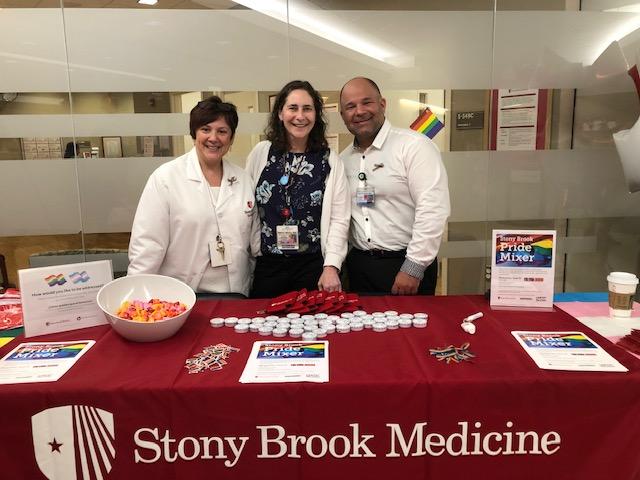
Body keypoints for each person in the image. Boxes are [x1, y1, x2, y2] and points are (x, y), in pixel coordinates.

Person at [128, 96, 259, 296]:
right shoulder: (166, 178)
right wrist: (135, 296)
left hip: (236, 295)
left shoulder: (243, 180)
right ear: (194, 133)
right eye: (205, 129)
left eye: (222, 131)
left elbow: (253, 244)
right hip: (182, 296)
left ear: (231, 138)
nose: (213, 138)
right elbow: (148, 245)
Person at [339, 77, 450, 295]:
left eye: (366, 102)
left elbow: (433, 210)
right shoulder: (342, 159)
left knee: (411, 330)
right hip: (360, 268)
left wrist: (413, 268)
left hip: (405, 265)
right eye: (350, 107)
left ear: (382, 104)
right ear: (343, 115)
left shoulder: (414, 146)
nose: (359, 111)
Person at [246, 80, 350, 298]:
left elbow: (339, 219)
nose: (300, 116)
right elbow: (248, 207)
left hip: (313, 267)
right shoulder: (261, 153)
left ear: (316, 115)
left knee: (314, 330)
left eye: (307, 109)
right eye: (293, 108)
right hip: (268, 266)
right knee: (263, 329)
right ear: (280, 114)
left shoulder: (329, 159)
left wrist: (331, 266)